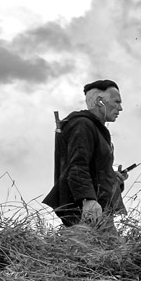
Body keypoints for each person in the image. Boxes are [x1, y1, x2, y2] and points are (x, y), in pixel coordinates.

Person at [44, 79, 125, 228]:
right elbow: (77, 165)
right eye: (117, 102)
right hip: (87, 210)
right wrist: (88, 199)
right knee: (97, 242)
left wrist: (113, 178)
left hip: (97, 209)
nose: (120, 108)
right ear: (100, 101)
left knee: (97, 243)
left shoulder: (92, 127)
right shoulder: (82, 125)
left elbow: (90, 168)